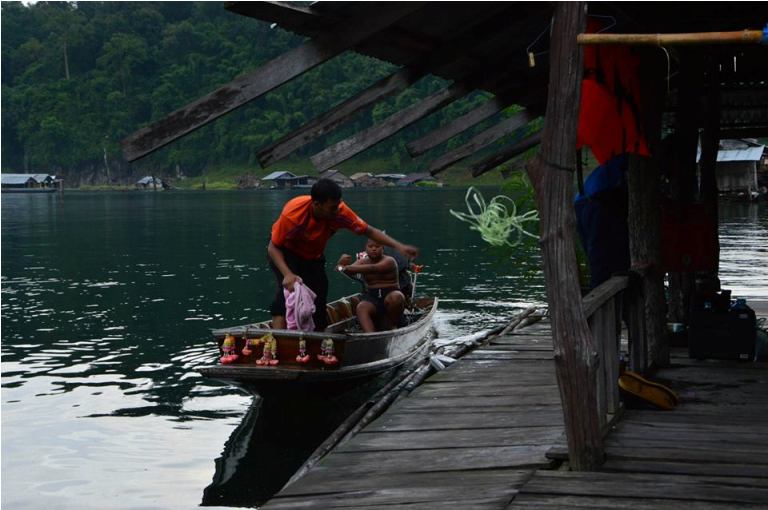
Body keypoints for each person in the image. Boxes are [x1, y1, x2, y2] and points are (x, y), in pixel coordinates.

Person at [267, 178, 418, 332]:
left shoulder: (340, 212)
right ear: (317, 205)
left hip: (313, 256)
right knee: (285, 295)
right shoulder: (293, 216)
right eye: (332, 208)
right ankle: (278, 340)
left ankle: (317, 340)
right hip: (286, 253)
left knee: (319, 297)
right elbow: (273, 247)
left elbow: (369, 231)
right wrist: (287, 274)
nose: (337, 211)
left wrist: (399, 246)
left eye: (338, 205)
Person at [337, 239, 406, 333]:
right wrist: (341, 265)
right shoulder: (362, 262)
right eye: (370, 247)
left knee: (396, 297)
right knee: (361, 307)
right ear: (366, 249)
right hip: (372, 297)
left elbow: (373, 268)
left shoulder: (389, 261)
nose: (374, 249)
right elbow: (349, 272)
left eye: (377, 247)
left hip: (390, 293)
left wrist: (344, 267)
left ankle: (391, 325)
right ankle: (370, 335)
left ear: (382, 248)